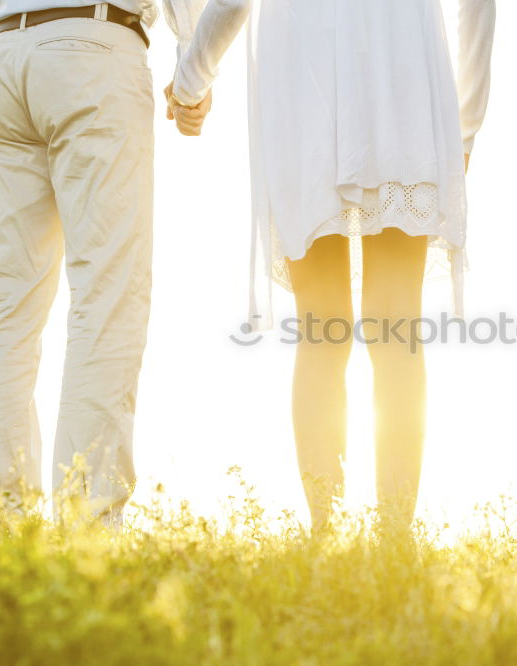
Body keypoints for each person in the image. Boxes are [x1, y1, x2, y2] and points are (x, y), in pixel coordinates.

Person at [164, 0, 496, 529]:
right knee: (396, 323)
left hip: (303, 71)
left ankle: (325, 532)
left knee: (321, 327)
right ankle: (393, 537)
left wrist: (190, 81)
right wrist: (466, 122)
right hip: (400, 67)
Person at [0, 2, 161, 523]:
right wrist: (193, 74)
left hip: (4, 54)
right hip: (92, 45)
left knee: (8, 297)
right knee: (108, 291)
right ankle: (88, 523)